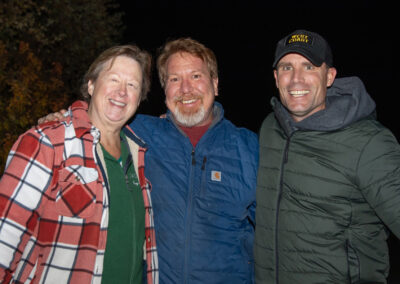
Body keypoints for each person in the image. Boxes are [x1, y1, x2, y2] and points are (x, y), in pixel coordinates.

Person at [37, 38, 259, 283]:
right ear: (165, 91)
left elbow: (273, 233)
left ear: (215, 84)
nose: (186, 89)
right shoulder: (138, 133)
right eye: (175, 79)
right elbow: (99, 117)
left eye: (196, 76)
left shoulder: (249, 149)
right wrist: (64, 118)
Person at [0, 45, 158, 283]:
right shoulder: (48, 143)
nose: (122, 92)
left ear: (139, 99)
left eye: (132, 85)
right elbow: (5, 237)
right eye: (113, 79)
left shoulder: (140, 156)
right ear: (91, 85)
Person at [254, 29, 400, 283]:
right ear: (276, 78)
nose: (296, 79)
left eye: (309, 66)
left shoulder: (368, 143)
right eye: (287, 68)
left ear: (329, 76)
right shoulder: (270, 129)